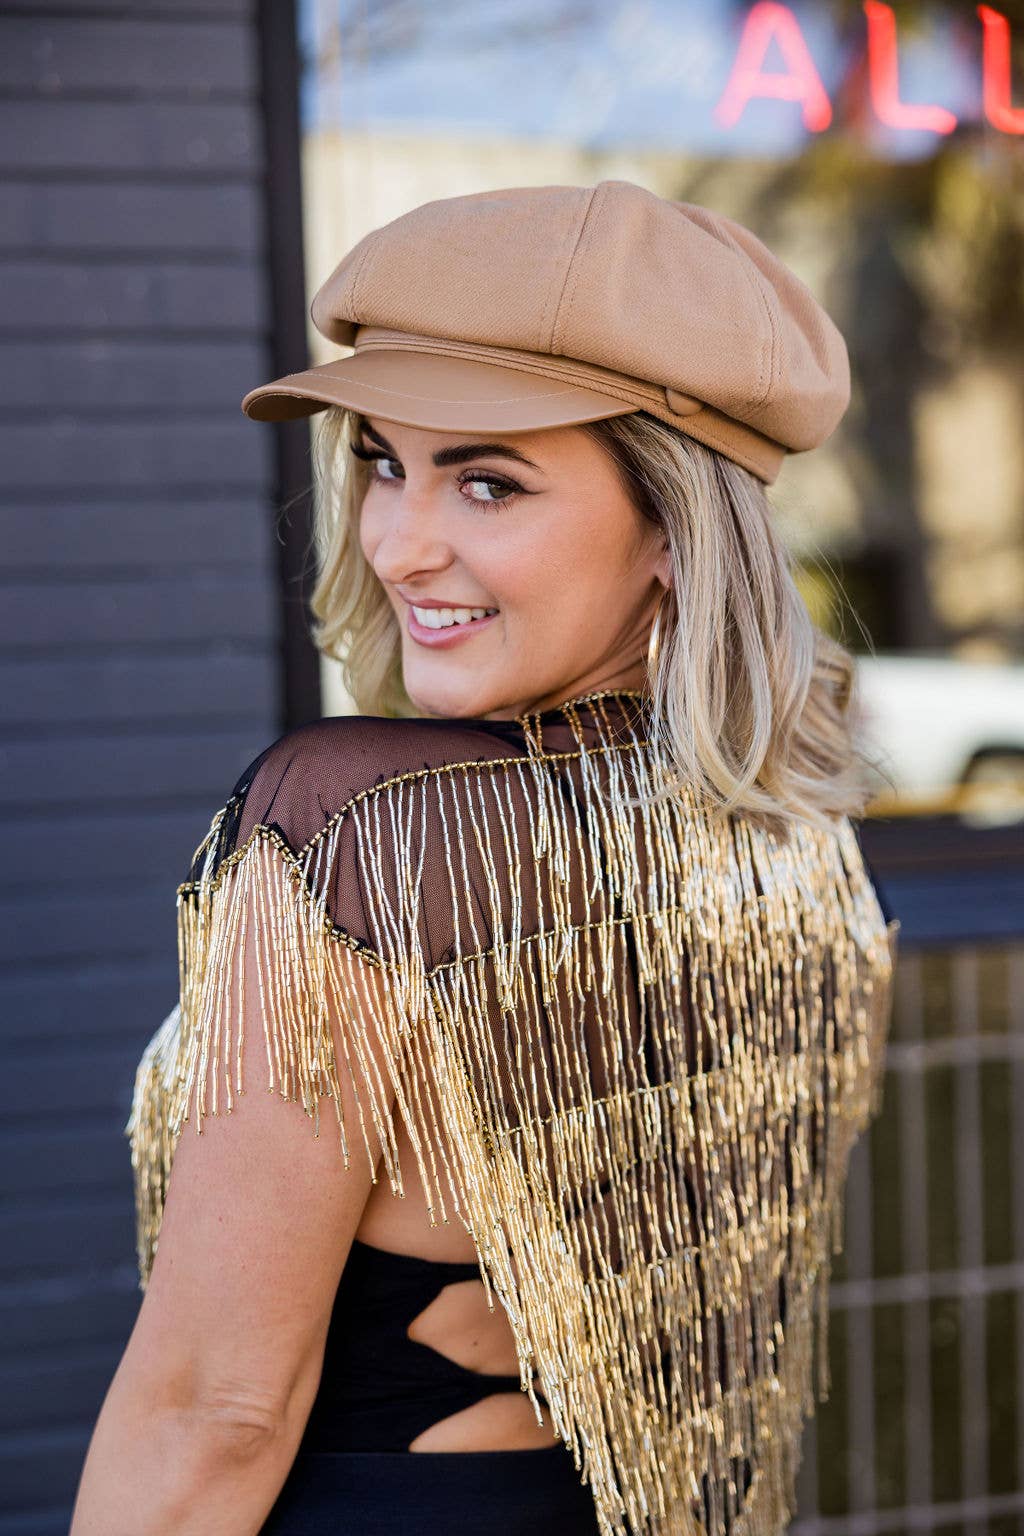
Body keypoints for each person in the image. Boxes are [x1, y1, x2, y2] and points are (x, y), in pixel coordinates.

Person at [70, 180, 899, 1536]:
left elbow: (214, 1410)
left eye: (489, 481)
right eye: (381, 462)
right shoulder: (794, 832)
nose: (399, 544)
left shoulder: (365, 827)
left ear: (676, 527)